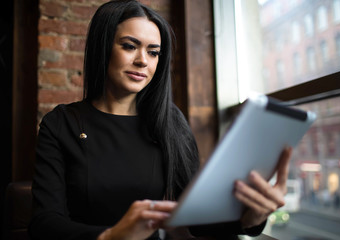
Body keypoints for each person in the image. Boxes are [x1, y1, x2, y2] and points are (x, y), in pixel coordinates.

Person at [28, 1, 292, 239]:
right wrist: (111, 237)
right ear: (103, 46)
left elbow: (199, 221)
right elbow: (44, 224)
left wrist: (250, 218)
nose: (143, 61)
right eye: (130, 46)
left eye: (153, 52)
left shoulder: (170, 122)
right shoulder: (60, 123)